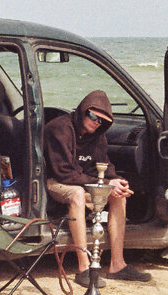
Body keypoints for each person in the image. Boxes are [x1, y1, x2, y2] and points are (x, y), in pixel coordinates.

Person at [43, 90, 152, 285]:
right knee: (77, 194)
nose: (96, 123)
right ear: (84, 111)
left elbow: (105, 166)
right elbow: (64, 173)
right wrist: (102, 184)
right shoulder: (60, 128)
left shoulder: (97, 135)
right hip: (57, 181)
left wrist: (117, 182)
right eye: (93, 116)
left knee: (118, 195)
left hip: (84, 181)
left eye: (102, 121)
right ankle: (84, 268)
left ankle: (117, 264)